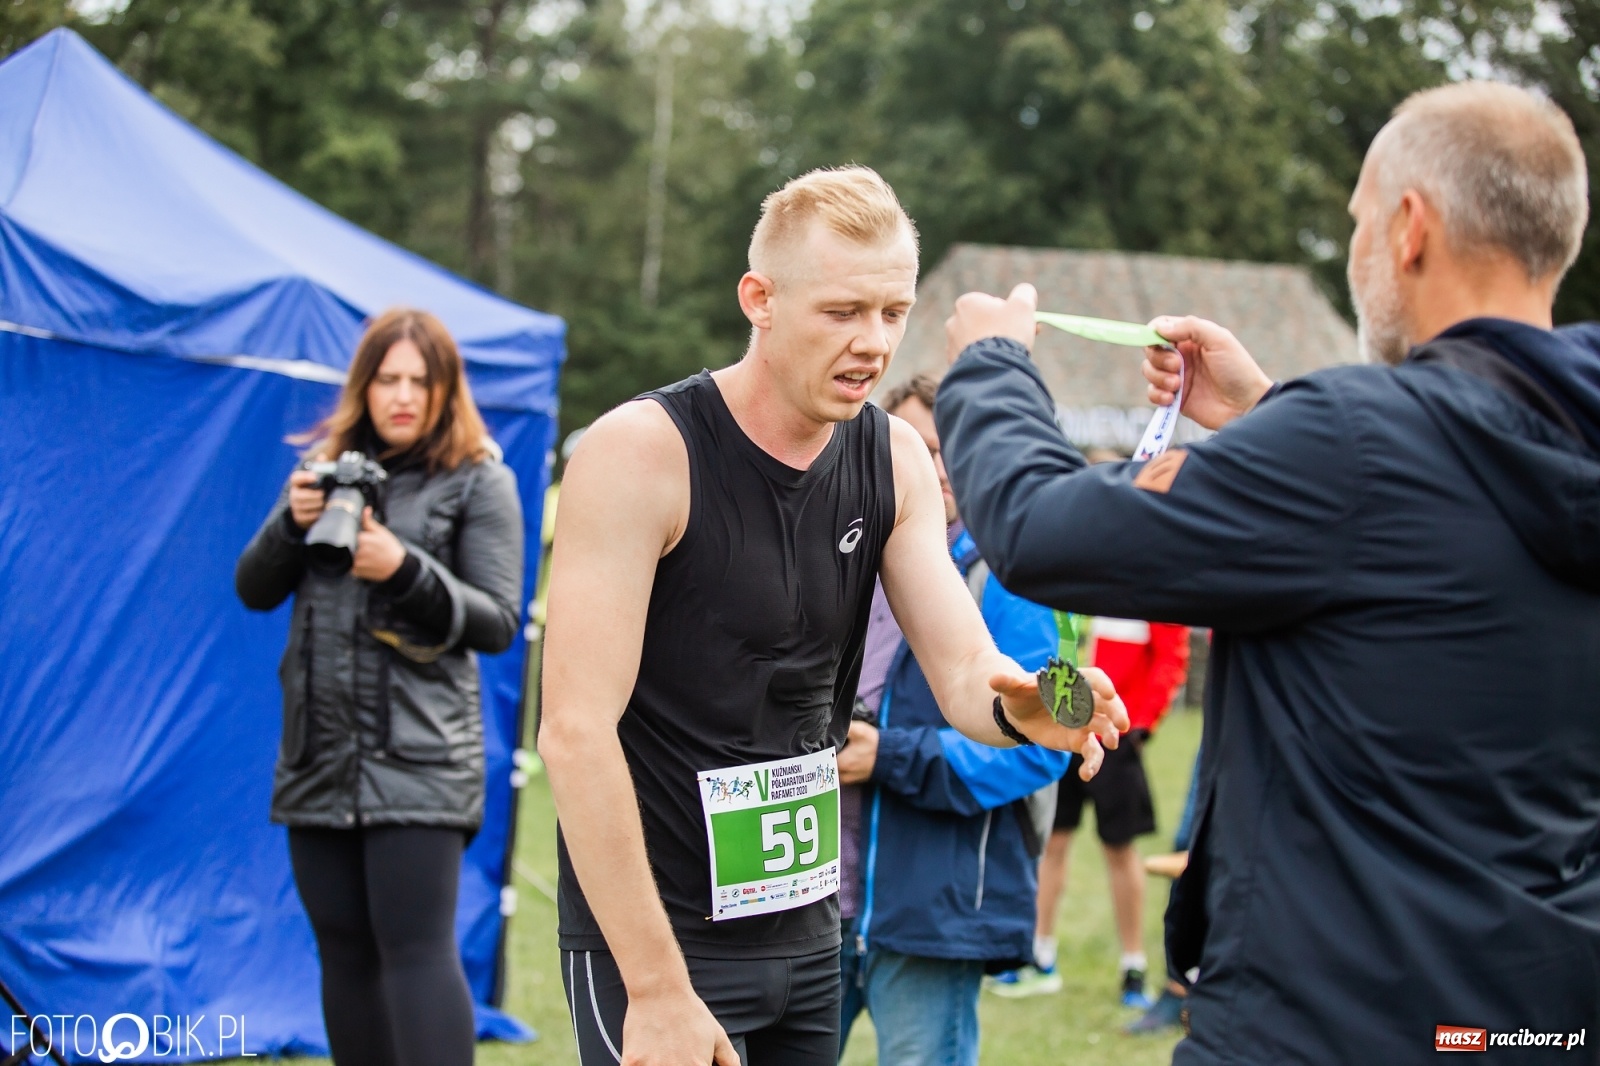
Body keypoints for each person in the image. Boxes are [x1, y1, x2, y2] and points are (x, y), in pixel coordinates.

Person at [935, 81, 1600, 1063]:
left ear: (1408, 229)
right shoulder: (1555, 439)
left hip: (1330, 1019)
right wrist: (1267, 417)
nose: (1358, 245)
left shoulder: (1349, 445)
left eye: (1359, 220)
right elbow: (1424, 522)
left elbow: (1040, 531)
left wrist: (990, 368)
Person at [538, 167, 1127, 1066]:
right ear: (759, 299)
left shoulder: (891, 455)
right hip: (659, 945)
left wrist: (1028, 705)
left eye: (892, 313)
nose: (874, 343)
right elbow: (576, 734)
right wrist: (656, 988)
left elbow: (967, 669)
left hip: (809, 933)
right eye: (843, 311)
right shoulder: (642, 453)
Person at [235, 308, 524, 1066]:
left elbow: (496, 621)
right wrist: (288, 527)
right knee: (344, 954)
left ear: (444, 390)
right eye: (386, 379)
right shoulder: (327, 476)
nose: (402, 395)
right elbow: (252, 588)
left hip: (420, 759)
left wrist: (403, 568)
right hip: (318, 755)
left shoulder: (479, 479)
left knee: (416, 952)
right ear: (362, 387)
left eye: (419, 381)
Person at [836, 374, 1072, 1066]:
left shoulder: (1011, 578)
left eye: (950, 450)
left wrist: (890, 757)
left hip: (930, 904)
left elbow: (1037, 743)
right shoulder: (837, 558)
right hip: (806, 898)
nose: (933, 469)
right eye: (913, 446)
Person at [997, 610, 1189, 1006]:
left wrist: (1141, 725)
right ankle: (1039, 955)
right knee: (1053, 842)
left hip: (1117, 733)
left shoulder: (1144, 582)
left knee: (1119, 849)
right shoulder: (1075, 573)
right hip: (1063, 724)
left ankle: (1132, 967)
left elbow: (1171, 656)